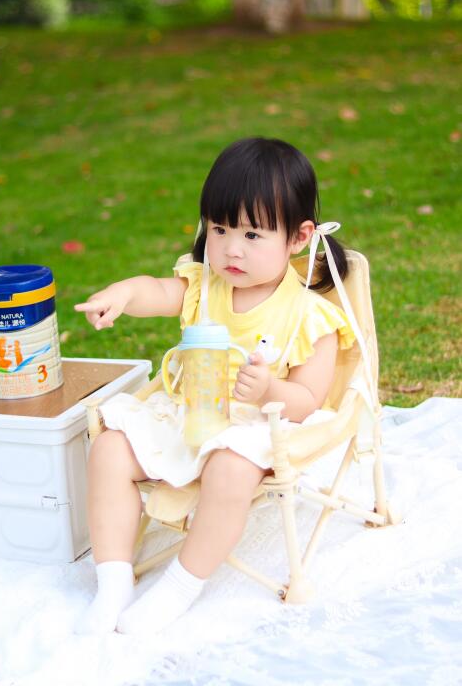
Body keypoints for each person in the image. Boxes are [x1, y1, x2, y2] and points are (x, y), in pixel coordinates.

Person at [73, 137, 355, 636]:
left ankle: (181, 584)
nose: (230, 248)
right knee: (110, 449)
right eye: (219, 229)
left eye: (252, 234)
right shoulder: (205, 286)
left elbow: (309, 401)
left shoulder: (309, 316)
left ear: (298, 237)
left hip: (256, 426)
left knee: (230, 467)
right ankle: (112, 581)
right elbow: (156, 290)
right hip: (191, 412)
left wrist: (269, 389)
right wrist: (123, 293)